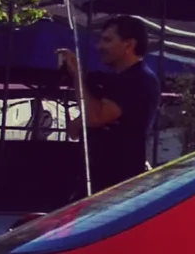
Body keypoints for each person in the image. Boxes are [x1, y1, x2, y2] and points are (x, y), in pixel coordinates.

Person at [56, 16, 161, 189]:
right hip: (93, 178)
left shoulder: (139, 79)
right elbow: (76, 129)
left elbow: (96, 117)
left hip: (117, 183)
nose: (100, 47)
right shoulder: (111, 80)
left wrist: (77, 76)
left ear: (129, 45)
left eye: (107, 40)